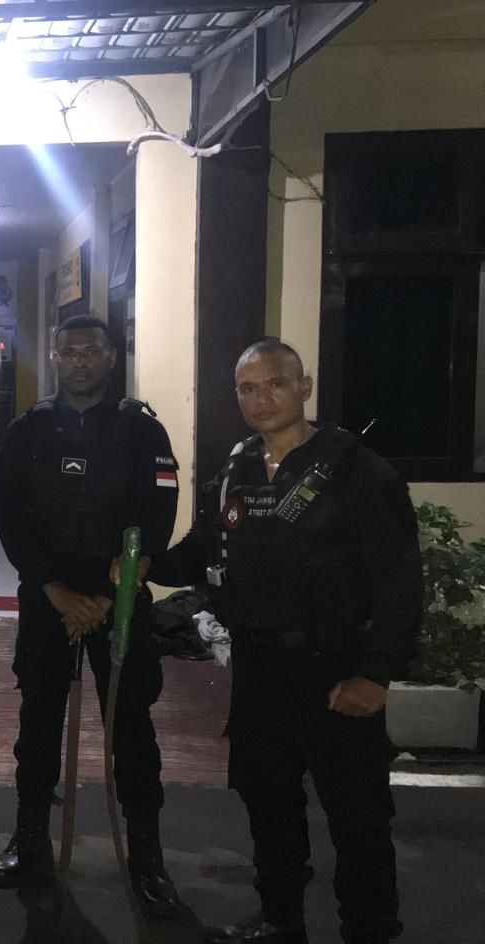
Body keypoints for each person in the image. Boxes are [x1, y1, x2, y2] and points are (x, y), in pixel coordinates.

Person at [139, 339, 421, 944]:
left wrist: (376, 673)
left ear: (304, 387)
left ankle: (369, 928)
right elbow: (201, 550)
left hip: (336, 666)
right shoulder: (234, 472)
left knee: (358, 815)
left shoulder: (357, 471)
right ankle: (279, 919)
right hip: (259, 666)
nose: (260, 399)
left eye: (274, 383)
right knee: (268, 801)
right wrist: (147, 566)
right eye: (247, 388)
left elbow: (399, 581)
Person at [0, 315, 181, 914]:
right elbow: (9, 514)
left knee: (131, 728)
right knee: (38, 722)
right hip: (48, 599)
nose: (78, 361)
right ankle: (29, 839)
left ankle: (147, 854)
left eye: (90, 351)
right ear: (53, 358)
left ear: (110, 357)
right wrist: (52, 589)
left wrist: (109, 592)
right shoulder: (28, 429)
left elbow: (160, 508)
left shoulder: (143, 431)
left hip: (119, 598)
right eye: (67, 352)